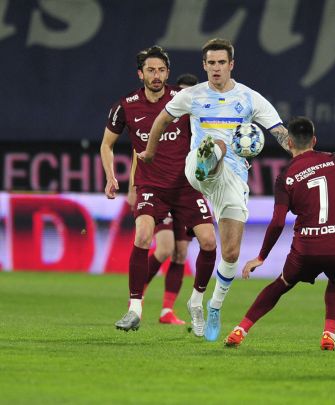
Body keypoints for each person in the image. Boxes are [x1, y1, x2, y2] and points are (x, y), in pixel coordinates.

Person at [139, 38, 290, 342]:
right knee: (217, 143)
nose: (216, 68)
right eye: (211, 63)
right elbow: (161, 120)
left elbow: (280, 133)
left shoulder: (250, 98)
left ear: (231, 65)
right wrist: (150, 153)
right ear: (204, 65)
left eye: (222, 62)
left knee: (231, 253)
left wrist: (304, 155)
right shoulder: (192, 95)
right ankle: (208, 160)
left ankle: (211, 305)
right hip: (198, 166)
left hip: (232, 179)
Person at [100, 45, 217, 333]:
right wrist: (111, 177)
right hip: (151, 186)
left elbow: (209, 128)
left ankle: (196, 301)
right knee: (143, 235)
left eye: (161, 70)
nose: (157, 75)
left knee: (208, 242)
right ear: (140, 74)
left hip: (187, 186)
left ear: (168, 73)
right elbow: (107, 144)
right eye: (151, 70)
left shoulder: (183, 98)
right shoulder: (126, 106)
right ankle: (134, 308)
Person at [223, 117, 335, 350]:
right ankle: (329, 334)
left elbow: (277, 222)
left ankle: (240, 330)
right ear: (314, 140)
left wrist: (261, 256)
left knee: (282, 283)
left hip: (308, 249)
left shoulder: (285, 177)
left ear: (290, 143)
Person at [125, 73, 201, 325]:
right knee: (166, 247)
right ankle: (137, 296)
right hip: (158, 188)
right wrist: (132, 186)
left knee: (180, 253)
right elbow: (139, 152)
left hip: (186, 190)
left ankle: (167, 311)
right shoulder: (164, 115)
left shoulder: (197, 123)